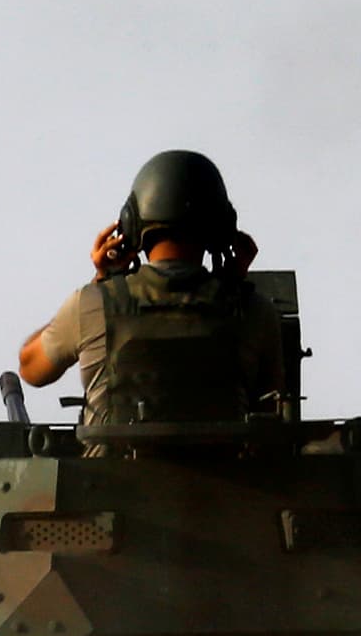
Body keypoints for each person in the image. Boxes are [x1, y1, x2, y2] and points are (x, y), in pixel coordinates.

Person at [14, 150, 288, 429]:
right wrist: (232, 289)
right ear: (221, 227)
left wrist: (100, 281)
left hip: (107, 472)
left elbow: (31, 369)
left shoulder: (91, 305)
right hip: (223, 472)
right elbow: (271, 414)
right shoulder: (255, 311)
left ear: (131, 225)